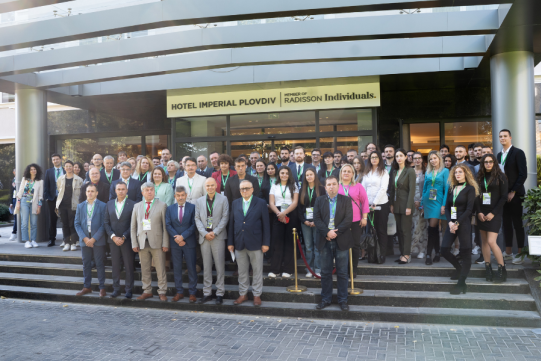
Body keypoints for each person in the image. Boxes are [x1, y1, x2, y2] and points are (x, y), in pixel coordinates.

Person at [228, 180, 270, 307]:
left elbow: (266, 225)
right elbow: (231, 224)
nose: (244, 191)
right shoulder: (235, 203)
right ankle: (243, 294)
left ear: (252, 189)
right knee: (242, 271)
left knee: (257, 270)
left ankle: (257, 295)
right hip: (239, 242)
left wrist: (266, 243)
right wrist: (230, 242)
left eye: (247, 188)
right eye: (242, 189)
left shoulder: (261, 203)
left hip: (256, 242)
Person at [313, 176, 353, 311]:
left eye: (334, 184)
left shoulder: (346, 200)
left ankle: (343, 300)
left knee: (342, 272)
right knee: (325, 272)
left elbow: (349, 219)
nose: (331, 187)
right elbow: (316, 219)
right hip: (325, 240)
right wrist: (327, 232)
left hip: (341, 239)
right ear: (325, 187)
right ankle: (326, 299)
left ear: (338, 185)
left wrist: (336, 232)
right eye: (329, 184)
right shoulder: (319, 200)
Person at [441, 164, 478, 294]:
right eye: (456, 172)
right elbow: (446, 207)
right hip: (452, 223)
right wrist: (450, 222)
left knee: (465, 252)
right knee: (444, 249)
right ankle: (458, 268)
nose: (457, 174)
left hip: (464, 223)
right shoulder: (452, 188)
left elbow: (469, 209)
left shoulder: (470, 189)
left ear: (466, 174)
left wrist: (457, 222)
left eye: (460, 172)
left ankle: (461, 283)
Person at [131, 182, 169, 301]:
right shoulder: (137, 206)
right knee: (145, 268)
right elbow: (133, 227)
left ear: (154, 191)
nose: (149, 192)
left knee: (160, 268)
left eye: (151, 189)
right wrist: (134, 243)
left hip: (157, 242)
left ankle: (162, 291)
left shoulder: (162, 205)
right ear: (142, 192)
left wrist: (165, 243)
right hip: (142, 242)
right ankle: (147, 290)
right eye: (146, 190)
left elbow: (165, 227)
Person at [194, 178, 229, 304]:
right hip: (205, 238)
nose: (210, 187)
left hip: (217, 237)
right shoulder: (199, 201)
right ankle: (207, 293)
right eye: (207, 185)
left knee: (220, 266)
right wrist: (204, 233)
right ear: (205, 187)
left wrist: (214, 232)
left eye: (212, 185)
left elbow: (225, 217)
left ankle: (220, 293)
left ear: (216, 186)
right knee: (207, 267)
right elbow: (197, 219)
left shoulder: (223, 199)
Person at [497, 129, 527, 264]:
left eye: (505, 136)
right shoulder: (498, 155)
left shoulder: (518, 153)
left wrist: (513, 191)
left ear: (510, 137)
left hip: (515, 194)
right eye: (500, 136)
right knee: (506, 223)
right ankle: (508, 251)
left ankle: (520, 253)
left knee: (517, 224)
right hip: (503, 195)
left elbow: (523, 174)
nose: (502, 138)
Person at [476, 154, 508, 282]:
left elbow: (504, 197)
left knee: (491, 241)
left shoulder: (501, 176)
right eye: (486, 162)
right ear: (483, 164)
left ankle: (502, 269)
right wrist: (478, 212)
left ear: (494, 163)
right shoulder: (479, 177)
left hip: (495, 213)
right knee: (484, 242)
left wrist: (493, 213)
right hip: (482, 213)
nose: (488, 164)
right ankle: (488, 268)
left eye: (490, 162)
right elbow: (476, 196)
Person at [103, 181, 136, 298]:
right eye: (119, 189)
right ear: (115, 191)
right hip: (113, 240)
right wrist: (113, 236)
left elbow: (133, 223)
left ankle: (128, 289)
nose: (121, 191)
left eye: (123, 189)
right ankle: (116, 289)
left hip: (126, 240)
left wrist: (123, 237)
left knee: (128, 266)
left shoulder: (133, 204)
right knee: (115, 265)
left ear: (127, 191)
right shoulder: (109, 204)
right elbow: (106, 222)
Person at [74, 184, 107, 297]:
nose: (90, 193)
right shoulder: (80, 206)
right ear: (85, 192)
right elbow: (77, 224)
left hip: (97, 239)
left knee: (99, 263)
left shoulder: (103, 206)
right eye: (88, 191)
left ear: (97, 193)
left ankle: (102, 287)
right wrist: (85, 238)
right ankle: (87, 286)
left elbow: (104, 224)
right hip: (85, 239)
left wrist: (93, 239)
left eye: (92, 191)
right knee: (86, 264)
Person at [165, 185, 197, 303]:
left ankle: (192, 293)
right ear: (175, 196)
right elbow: (168, 224)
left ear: (186, 195)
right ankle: (179, 292)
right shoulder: (170, 208)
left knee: (191, 268)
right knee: (177, 268)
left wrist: (183, 236)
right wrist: (177, 238)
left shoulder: (192, 207)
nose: (180, 197)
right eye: (178, 195)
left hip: (189, 242)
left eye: (182, 195)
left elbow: (194, 225)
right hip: (175, 243)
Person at [268, 165, 299, 278]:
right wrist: (279, 214)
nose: (284, 175)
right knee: (277, 242)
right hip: (278, 213)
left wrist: (284, 213)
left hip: (291, 213)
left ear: (289, 174)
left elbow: (295, 202)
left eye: (286, 173)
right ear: (279, 174)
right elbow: (271, 203)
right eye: (282, 173)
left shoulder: (294, 185)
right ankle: (275, 269)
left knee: (289, 242)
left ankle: (288, 269)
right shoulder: (274, 185)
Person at [338, 164, 369, 277]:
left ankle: (353, 269)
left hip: (356, 220)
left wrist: (364, 218)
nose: (346, 173)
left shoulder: (358, 186)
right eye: (344, 171)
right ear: (341, 173)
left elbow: (365, 202)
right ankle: (342, 268)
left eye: (348, 171)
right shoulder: (337, 186)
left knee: (355, 245)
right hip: (340, 221)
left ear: (352, 174)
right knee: (341, 245)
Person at [421, 150, 449, 265]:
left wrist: (444, 205)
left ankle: (428, 254)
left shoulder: (445, 171)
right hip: (428, 202)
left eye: (434, 158)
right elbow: (424, 189)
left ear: (439, 159)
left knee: (431, 228)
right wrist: (422, 204)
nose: (433, 161)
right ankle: (437, 252)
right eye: (430, 159)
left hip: (438, 202)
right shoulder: (428, 172)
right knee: (434, 228)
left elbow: (447, 189)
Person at [361, 151, 390, 264]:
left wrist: (375, 203)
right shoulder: (366, 172)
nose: (374, 159)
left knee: (381, 230)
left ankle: (381, 254)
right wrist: (366, 203)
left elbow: (383, 189)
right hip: (367, 206)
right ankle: (372, 255)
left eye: (376, 157)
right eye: (372, 157)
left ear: (379, 159)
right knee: (369, 231)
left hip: (381, 204)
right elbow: (363, 189)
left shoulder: (384, 172)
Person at [389, 148, 416, 264]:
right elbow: (391, 190)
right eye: (397, 156)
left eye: (401, 155)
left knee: (405, 230)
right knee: (399, 230)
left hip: (406, 205)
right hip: (396, 205)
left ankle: (406, 254)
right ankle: (401, 253)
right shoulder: (394, 171)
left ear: (406, 157)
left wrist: (409, 206)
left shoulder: (410, 171)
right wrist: (391, 204)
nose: (398, 158)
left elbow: (412, 190)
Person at [298, 168, 325, 277]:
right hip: (305, 221)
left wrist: (316, 221)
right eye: (307, 175)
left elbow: (324, 207)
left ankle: (318, 269)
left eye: (311, 174)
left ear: (315, 175)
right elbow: (299, 208)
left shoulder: (321, 189)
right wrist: (304, 221)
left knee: (317, 245)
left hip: (317, 220)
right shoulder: (302, 190)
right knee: (308, 246)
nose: (309, 177)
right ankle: (309, 269)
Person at [56, 160, 83, 251]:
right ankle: (67, 242)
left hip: (73, 205)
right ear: (64, 168)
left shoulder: (79, 179)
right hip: (62, 205)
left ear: (73, 167)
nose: (68, 168)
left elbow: (81, 194)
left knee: (73, 224)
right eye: (66, 166)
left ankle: (74, 242)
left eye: (70, 166)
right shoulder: (60, 179)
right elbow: (59, 189)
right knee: (65, 224)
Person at [16, 164, 44, 249]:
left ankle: (33, 240)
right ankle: (26, 241)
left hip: (34, 203)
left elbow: (40, 196)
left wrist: (39, 207)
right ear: (29, 171)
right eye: (31, 169)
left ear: (37, 170)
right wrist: (18, 202)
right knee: (24, 223)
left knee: (34, 223)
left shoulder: (40, 181)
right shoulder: (24, 179)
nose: (33, 171)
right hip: (24, 201)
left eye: (34, 169)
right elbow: (20, 191)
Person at [43, 153, 65, 247]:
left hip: (64, 199)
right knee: (52, 220)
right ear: (52, 161)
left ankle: (66, 239)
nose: (55, 161)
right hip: (52, 199)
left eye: (57, 159)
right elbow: (46, 185)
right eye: (53, 160)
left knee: (65, 219)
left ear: (60, 160)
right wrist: (47, 197)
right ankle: (52, 239)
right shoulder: (49, 171)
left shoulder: (65, 170)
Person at [410, 152, 428, 259]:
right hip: (411, 203)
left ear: (422, 160)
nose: (417, 160)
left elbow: (428, 189)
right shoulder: (409, 171)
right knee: (412, 226)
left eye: (419, 158)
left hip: (422, 203)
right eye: (415, 158)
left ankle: (422, 249)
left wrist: (420, 202)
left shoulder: (427, 172)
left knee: (422, 226)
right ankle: (413, 248)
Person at [9, 169, 17, 241]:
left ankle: (14, 232)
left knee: (17, 216)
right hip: (14, 199)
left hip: (20, 199)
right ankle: (14, 232)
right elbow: (11, 191)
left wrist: (15, 187)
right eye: (15, 171)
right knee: (15, 216)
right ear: (13, 172)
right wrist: (11, 202)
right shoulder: (13, 179)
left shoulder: (22, 179)